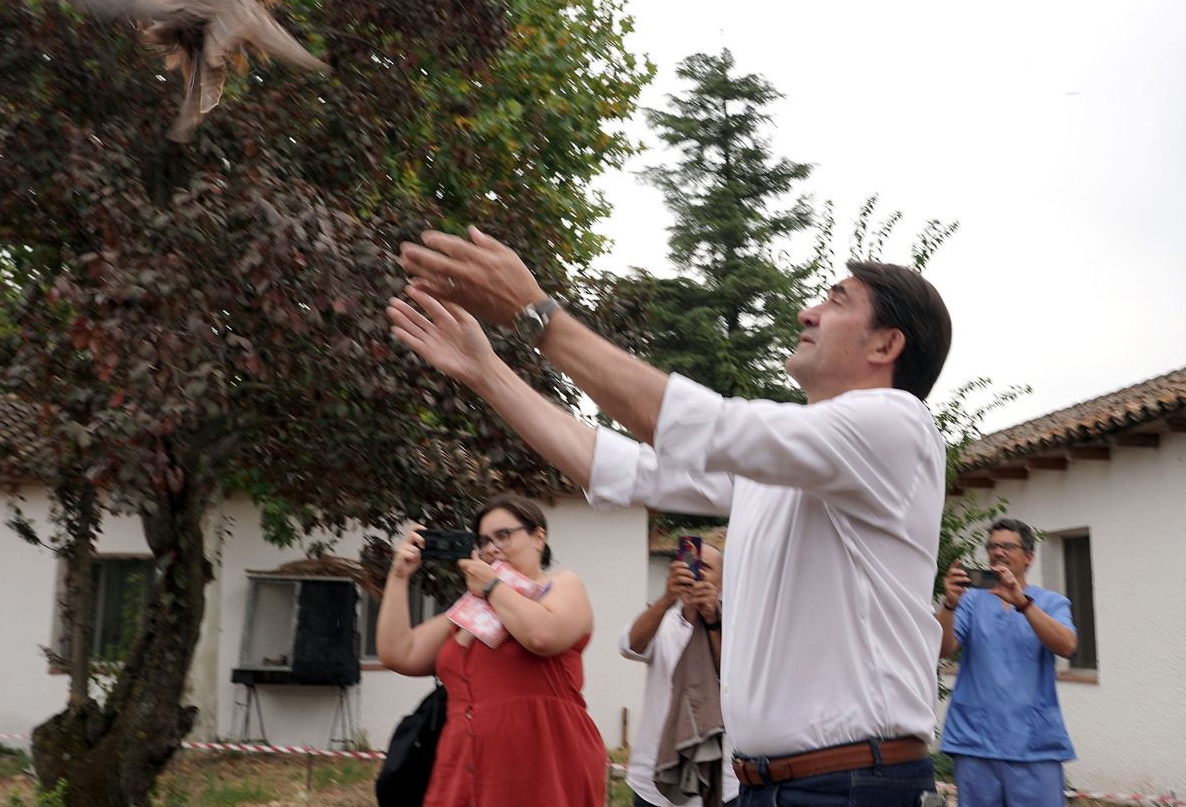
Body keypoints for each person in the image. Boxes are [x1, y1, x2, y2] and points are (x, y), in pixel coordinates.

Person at [388, 226, 954, 806]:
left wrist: (537, 314)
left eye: (836, 301)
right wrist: (487, 372)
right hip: (782, 786)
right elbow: (616, 465)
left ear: (886, 346)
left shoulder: (895, 422)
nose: (808, 313)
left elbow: (693, 423)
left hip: (852, 786)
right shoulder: (789, 467)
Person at [374, 493, 607, 806]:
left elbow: (542, 636)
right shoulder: (468, 609)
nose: (492, 548)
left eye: (504, 536)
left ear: (538, 537)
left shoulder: (559, 586)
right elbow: (397, 652)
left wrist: (494, 587)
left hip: (543, 767)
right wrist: (400, 575)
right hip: (463, 768)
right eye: (484, 541)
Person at [938, 517, 1078, 807]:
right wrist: (949, 603)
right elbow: (943, 649)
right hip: (976, 743)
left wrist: (1023, 603)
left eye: (1007, 546)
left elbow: (1067, 645)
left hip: (1033, 747)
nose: (997, 552)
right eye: (992, 546)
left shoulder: (1050, 602)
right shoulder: (971, 601)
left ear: (1028, 557)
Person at [622, 545, 740, 807]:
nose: (696, 573)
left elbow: (733, 676)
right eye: (689, 565)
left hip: (723, 777)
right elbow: (629, 647)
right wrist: (666, 599)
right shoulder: (663, 620)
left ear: (724, 579)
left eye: (705, 567)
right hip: (654, 775)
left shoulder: (736, 623)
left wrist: (711, 619)